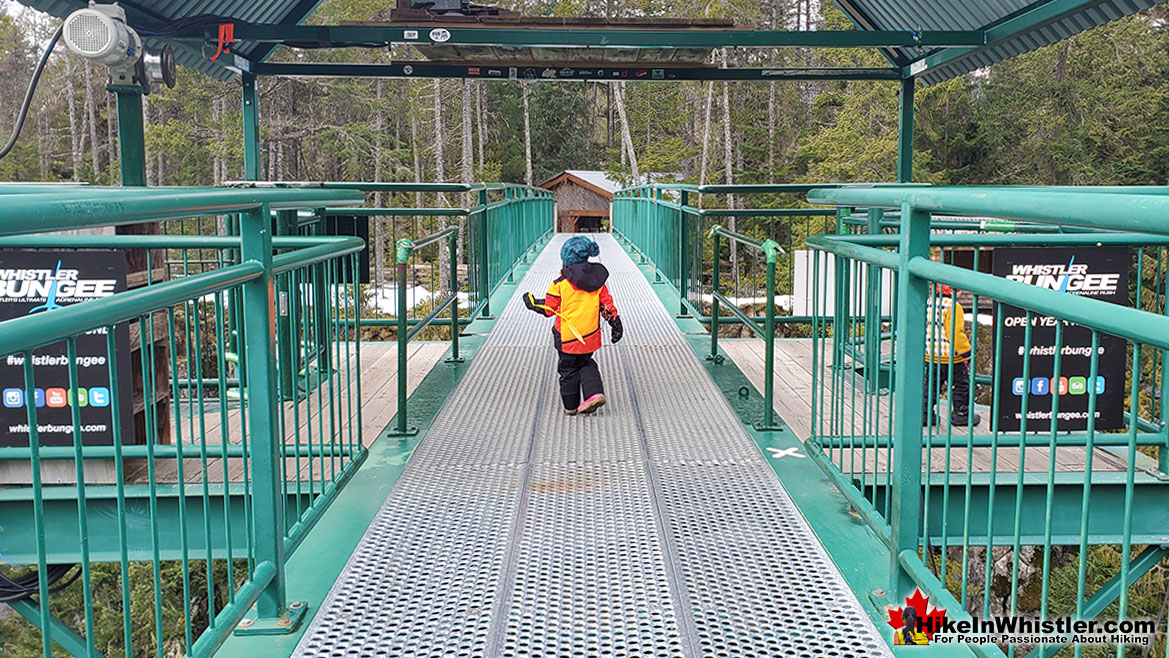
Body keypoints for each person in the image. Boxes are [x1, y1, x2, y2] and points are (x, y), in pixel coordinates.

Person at [523, 236, 624, 415]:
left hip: (567, 337)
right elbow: (606, 305)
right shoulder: (597, 283)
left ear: (565, 260)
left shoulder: (560, 284)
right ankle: (594, 394)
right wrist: (615, 323)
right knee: (586, 363)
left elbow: (549, 309)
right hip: (590, 336)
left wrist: (532, 303)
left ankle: (570, 407)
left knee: (567, 368)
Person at [924, 248, 980, 427]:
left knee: (931, 385)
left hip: (931, 355)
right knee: (961, 385)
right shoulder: (954, 307)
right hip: (952, 357)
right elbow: (955, 334)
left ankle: (925, 414)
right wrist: (967, 353)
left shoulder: (929, 302)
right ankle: (961, 414)